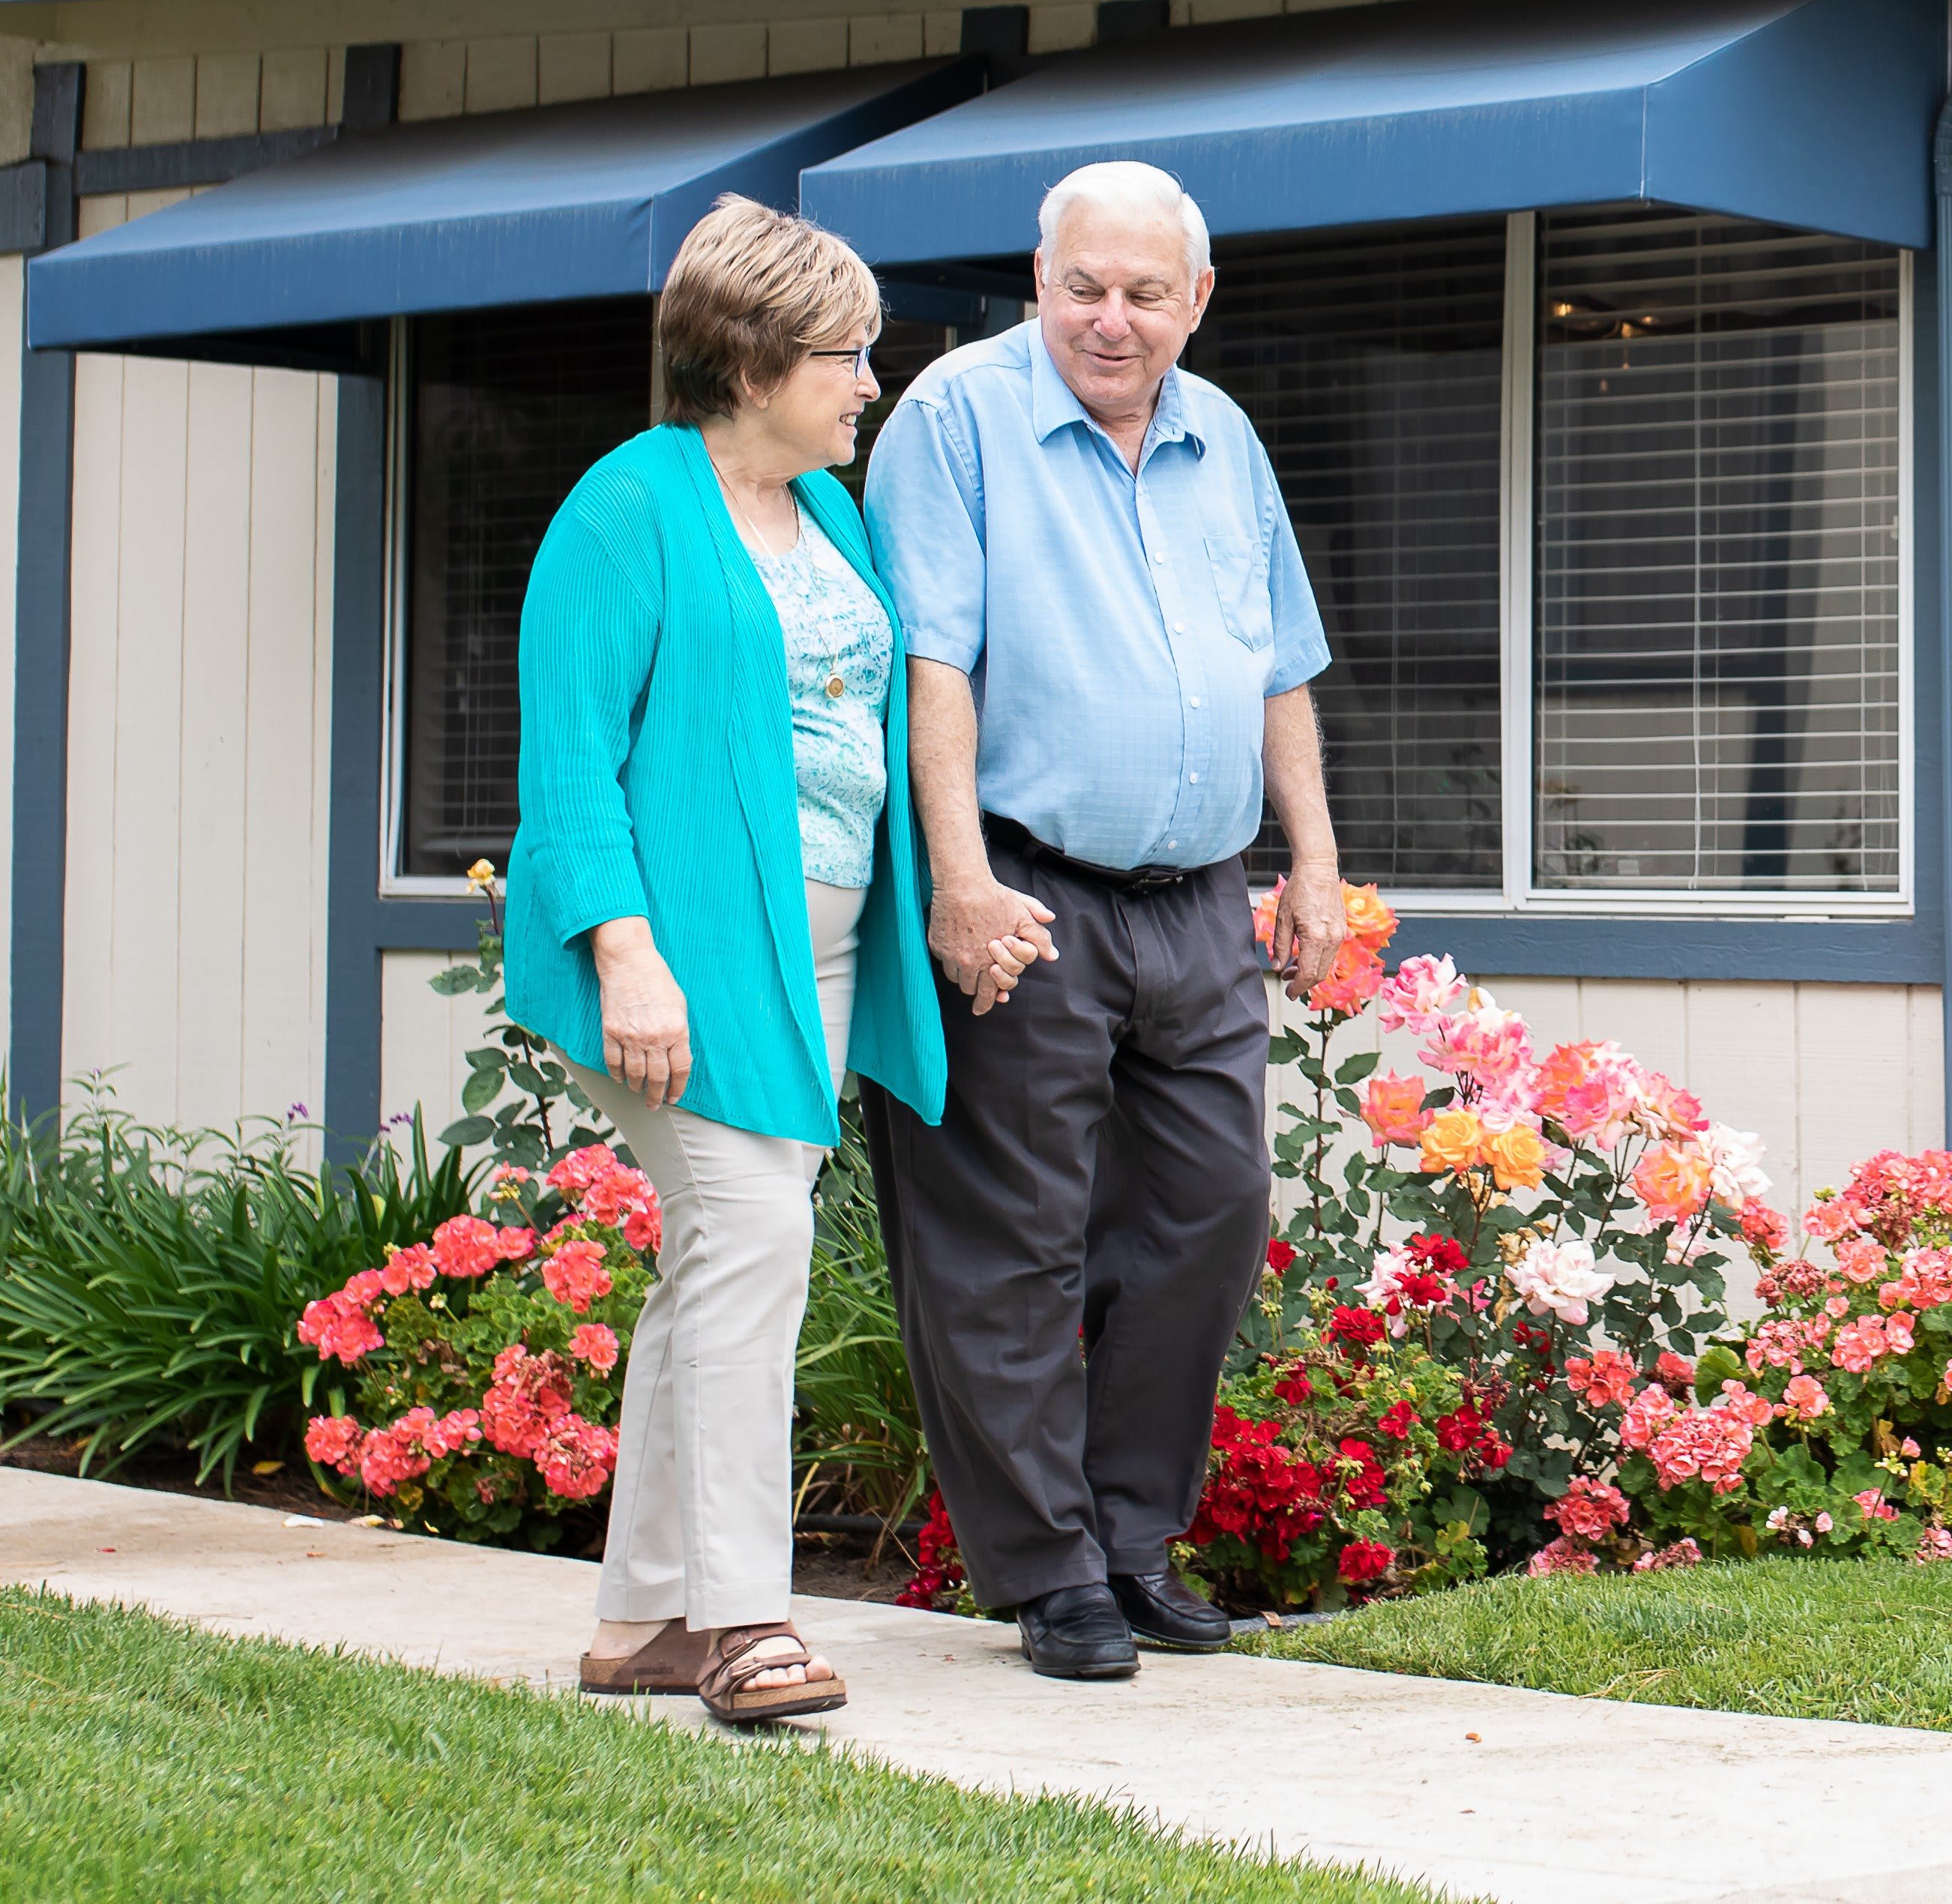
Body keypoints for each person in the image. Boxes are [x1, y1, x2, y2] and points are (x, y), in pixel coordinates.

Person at [860, 158, 1352, 1683]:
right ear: (1038, 274)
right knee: (1005, 1240)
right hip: (1026, 880)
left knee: (1207, 1217)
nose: (1114, 319)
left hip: (1202, 895)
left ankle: (1134, 1542)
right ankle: (1050, 1569)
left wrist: (1314, 859)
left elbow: (1277, 662)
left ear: (1198, 298)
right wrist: (954, 878)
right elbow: (928, 665)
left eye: (1147, 292)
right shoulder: (955, 420)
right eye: (1086, 286)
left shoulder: (1227, 433)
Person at [505, 196, 948, 1725]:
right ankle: (748, 1620)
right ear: (756, 363)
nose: (868, 383)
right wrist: (629, 959)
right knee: (753, 1246)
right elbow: (569, 766)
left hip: (815, 955)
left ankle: (641, 1623)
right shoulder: (624, 510)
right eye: (847, 354)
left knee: (717, 1265)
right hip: (680, 962)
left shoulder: (830, 514)